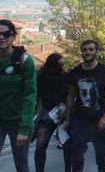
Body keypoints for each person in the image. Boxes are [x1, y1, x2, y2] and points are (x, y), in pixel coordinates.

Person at [64, 40, 105, 172]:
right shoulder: (75, 72)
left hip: (99, 116)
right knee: (76, 148)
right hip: (79, 117)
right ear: (81, 52)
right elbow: (70, 96)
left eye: (91, 49)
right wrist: (67, 118)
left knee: (101, 149)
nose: (88, 52)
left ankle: (102, 169)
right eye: (85, 49)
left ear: (96, 51)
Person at [0, 19, 37, 172]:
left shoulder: (24, 61)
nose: (1, 37)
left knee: (21, 165)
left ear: (13, 37)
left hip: (18, 121)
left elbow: (30, 95)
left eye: (6, 34)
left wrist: (24, 128)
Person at [34, 53, 70, 172]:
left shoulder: (66, 77)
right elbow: (35, 97)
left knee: (67, 145)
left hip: (63, 114)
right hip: (46, 114)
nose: (61, 68)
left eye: (63, 65)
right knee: (41, 145)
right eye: (59, 65)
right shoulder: (41, 77)